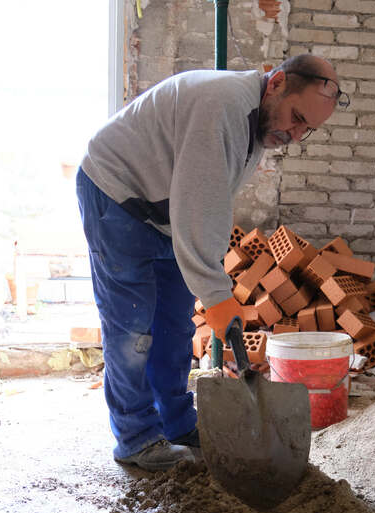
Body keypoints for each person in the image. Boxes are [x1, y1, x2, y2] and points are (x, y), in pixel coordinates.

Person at [76, 54, 348, 471]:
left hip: (161, 204)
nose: (294, 134)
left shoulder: (256, 126)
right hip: (116, 192)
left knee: (174, 324)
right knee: (133, 327)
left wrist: (214, 284)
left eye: (305, 129)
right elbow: (198, 204)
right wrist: (218, 295)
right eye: (295, 117)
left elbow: (212, 206)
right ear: (275, 83)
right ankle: (136, 439)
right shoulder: (221, 107)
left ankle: (177, 423)